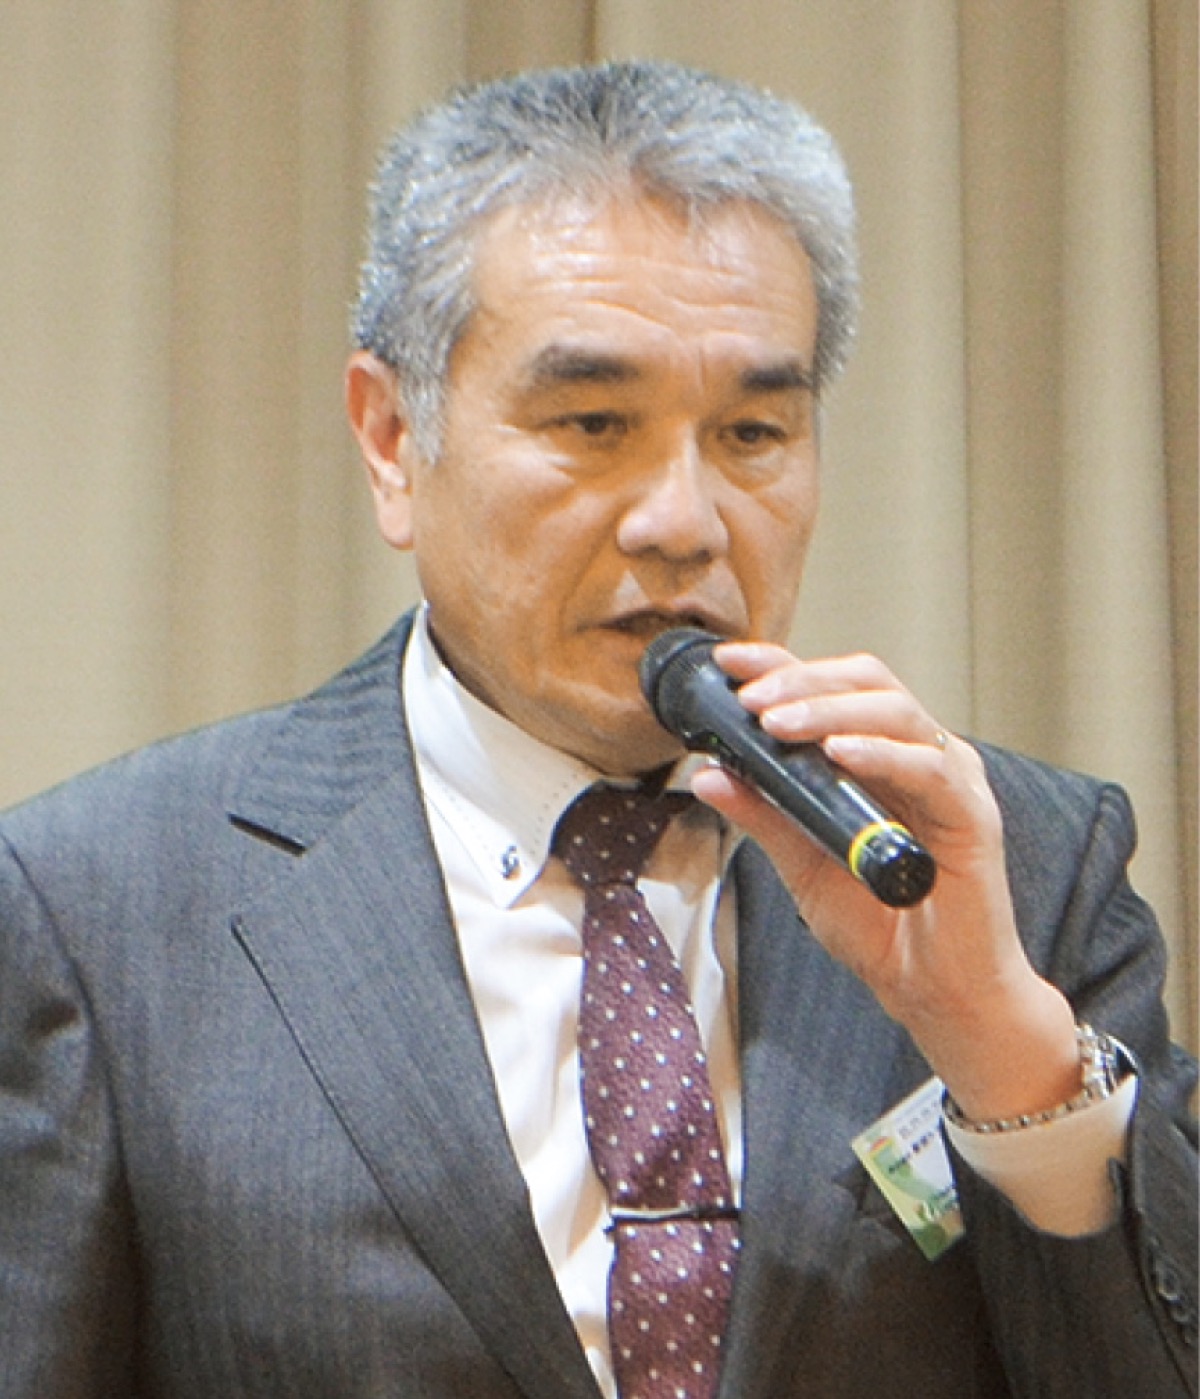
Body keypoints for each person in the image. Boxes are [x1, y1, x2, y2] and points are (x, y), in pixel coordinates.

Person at [0, 59, 1195, 1399]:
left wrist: (1002, 1049)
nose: (683, 521)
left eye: (754, 431)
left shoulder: (1010, 864)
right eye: (593, 423)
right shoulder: (99, 911)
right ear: (392, 438)